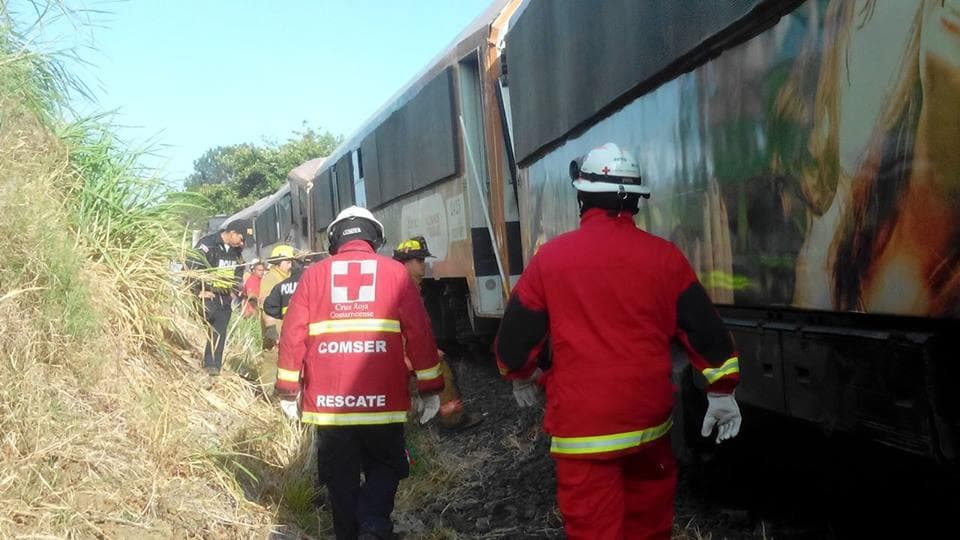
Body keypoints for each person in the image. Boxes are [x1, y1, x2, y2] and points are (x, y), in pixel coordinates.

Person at [494, 143, 742, 540]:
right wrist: (722, 391)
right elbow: (706, 331)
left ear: (582, 197)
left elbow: (513, 345)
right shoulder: (665, 258)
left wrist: (523, 375)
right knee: (649, 528)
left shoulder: (550, 259)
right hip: (648, 426)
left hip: (582, 432)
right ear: (636, 202)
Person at [276, 206, 444, 540]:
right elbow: (420, 333)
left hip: (329, 405)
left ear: (335, 238)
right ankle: (374, 521)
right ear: (375, 237)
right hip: (384, 401)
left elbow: (292, 334)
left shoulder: (314, 275)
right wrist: (431, 387)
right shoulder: (395, 273)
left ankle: (352, 533)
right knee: (387, 465)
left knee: (340, 479)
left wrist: (287, 388)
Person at [394, 236, 482, 432]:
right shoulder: (403, 290)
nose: (424, 266)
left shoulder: (405, 286)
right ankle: (453, 419)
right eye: (419, 261)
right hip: (401, 356)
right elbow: (405, 331)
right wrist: (413, 358)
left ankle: (421, 423)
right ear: (405, 262)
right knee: (442, 372)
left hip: (400, 355)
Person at [188, 219, 249, 376]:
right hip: (207, 296)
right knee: (209, 323)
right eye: (241, 238)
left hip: (224, 298)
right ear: (232, 233)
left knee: (220, 331)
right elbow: (190, 267)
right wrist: (197, 291)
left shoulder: (236, 252)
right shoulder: (208, 244)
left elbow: (238, 272)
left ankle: (213, 365)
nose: (243, 243)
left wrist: (234, 291)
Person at [258, 244, 295, 386]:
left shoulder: (285, 278)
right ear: (278, 262)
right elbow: (265, 305)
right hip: (274, 330)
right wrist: (271, 330)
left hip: (285, 329)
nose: (290, 265)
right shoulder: (271, 278)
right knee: (271, 361)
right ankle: (267, 394)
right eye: (288, 262)